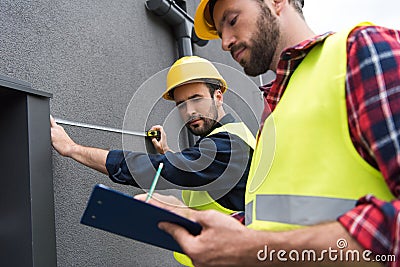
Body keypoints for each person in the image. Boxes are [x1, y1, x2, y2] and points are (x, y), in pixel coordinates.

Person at [135, 0, 400, 266]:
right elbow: (272, 222)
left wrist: (253, 248)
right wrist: (188, 217)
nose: (225, 42)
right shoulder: (275, 113)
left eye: (232, 20)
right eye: (219, 32)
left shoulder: (362, 51)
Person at [51, 56, 255, 266]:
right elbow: (196, 171)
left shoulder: (229, 145)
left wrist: (72, 149)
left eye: (196, 98)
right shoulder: (228, 137)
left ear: (218, 96)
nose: (190, 110)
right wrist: (166, 152)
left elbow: (157, 170)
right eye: (181, 104)